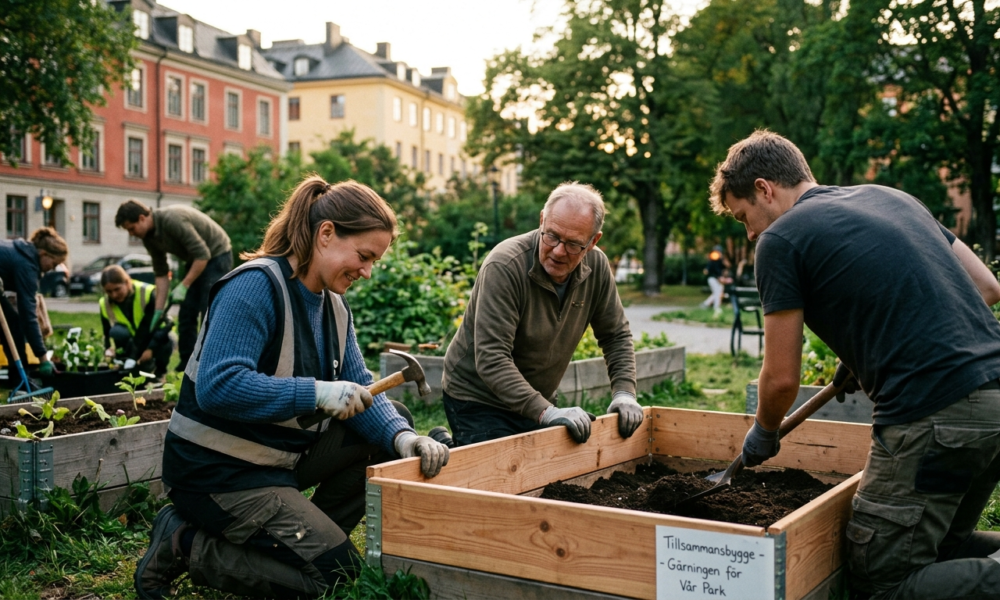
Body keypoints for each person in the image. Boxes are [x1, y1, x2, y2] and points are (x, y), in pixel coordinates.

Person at [709, 130, 1000, 600]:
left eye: (744, 217)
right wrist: (860, 355)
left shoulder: (780, 240)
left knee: (882, 583)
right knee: (943, 549)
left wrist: (763, 432)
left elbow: (782, 378)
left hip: (935, 414)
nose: (750, 233)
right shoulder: (891, 197)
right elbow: (986, 286)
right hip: (995, 396)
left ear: (764, 188)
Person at [133, 177, 450, 600]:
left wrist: (405, 439)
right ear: (325, 234)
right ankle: (185, 545)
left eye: (374, 261)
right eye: (363, 255)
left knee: (392, 431)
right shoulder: (255, 287)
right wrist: (316, 392)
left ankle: (301, 540)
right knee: (336, 579)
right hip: (215, 473)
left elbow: (362, 390)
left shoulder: (335, 307)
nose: (367, 271)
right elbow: (217, 386)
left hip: (274, 464)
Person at [441, 182, 643, 447]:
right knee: (501, 480)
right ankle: (448, 445)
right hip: (478, 398)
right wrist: (547, 412)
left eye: (573, 244)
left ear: (593, 241)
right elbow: (492, 358)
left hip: (537, 397)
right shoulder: (505, 265)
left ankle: (445, 444)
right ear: (541, 220)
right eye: (552, 236)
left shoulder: (597, 267)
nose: (559, 251)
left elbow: (615, 335)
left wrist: (625, 393)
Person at [114, 200, 232, 372]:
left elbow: (203, 254)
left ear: (141, 218)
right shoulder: (149, 237)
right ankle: (186, 365)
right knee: (186, 314)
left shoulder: (172, 220)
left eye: (131, 228)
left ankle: (207, 365)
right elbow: (161, 273)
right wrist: (158, 310)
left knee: (207, 311)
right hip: (196, 260)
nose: (132, 234)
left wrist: (184, 285)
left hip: (217, 254)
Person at [0, 227, 67, 389]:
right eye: (54, 263)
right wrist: (43, 358)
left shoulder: (21, 252)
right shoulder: (27, 265)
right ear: (43, 254)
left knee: (12, 324)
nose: (52, 268)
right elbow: (28, 315)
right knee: (14, 324)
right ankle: (20, 381)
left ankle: (20, 379)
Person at [98, 265, 173, 377]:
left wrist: (150, 349)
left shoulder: (147, 293)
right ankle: (126, 366)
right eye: (109, 291)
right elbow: (107, 332)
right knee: (117, 332)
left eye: (117, 289)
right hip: (131, 341)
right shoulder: (105, 303)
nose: (114, 295)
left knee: (165, 340)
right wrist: (108, 349)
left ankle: (159, 373)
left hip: (154, 337)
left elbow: (151, 326)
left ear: (127, 282)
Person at [700, 245, 728, 316]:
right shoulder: (712, 260)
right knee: (717, 292)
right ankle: (716, 307)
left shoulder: (720, 261)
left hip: (718, 279)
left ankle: (705, 304)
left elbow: (724, 268)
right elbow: (708, 270)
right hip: (712, 279)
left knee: (717, 292)